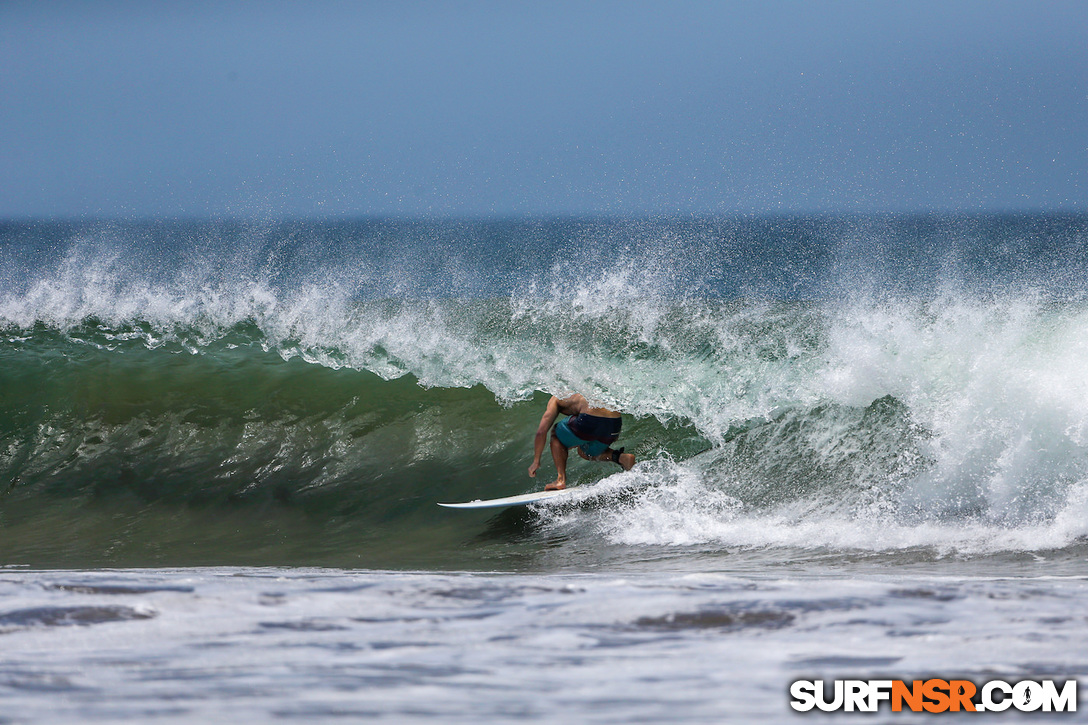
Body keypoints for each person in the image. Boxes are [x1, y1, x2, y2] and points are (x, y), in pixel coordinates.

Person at [528, 393, 635, 491]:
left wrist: (536, 461)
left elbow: (541, 432)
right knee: (585, 452)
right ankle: (621, 457)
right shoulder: (582, 391)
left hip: (590, 419)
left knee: (556, 433)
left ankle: (560, 480)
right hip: (614, 424)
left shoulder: (556, 398)